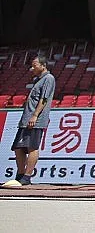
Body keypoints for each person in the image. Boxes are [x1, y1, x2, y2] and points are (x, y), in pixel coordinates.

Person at [11, 55, 55, 186]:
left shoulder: (48, 78)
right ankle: (20, 174)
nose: (32, 68)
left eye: (35, 65)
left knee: (32, 147)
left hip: (36, 119)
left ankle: (27, 176)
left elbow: (44, 98)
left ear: (43, 65)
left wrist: (35, 115)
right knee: (18, 147)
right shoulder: (38, 80)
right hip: (26, 119)